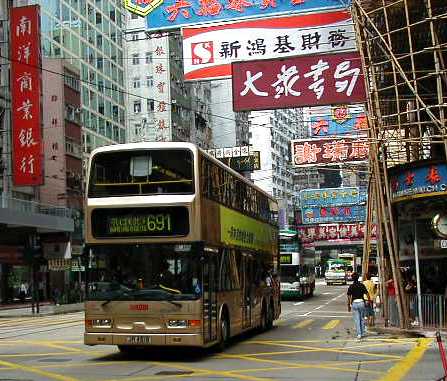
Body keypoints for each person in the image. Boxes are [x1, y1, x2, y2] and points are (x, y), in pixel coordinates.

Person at [347, 272, 370, 341]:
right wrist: (368, 301)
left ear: (352, 278)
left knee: (357, 319)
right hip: (361, 303)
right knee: (362, 318)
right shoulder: (362, 285)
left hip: (354, 303)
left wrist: (349, 305)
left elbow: (348, 296)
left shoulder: (351, 286)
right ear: (358, 278)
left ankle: (359, 334)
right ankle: (362, 333)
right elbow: (367, 293)